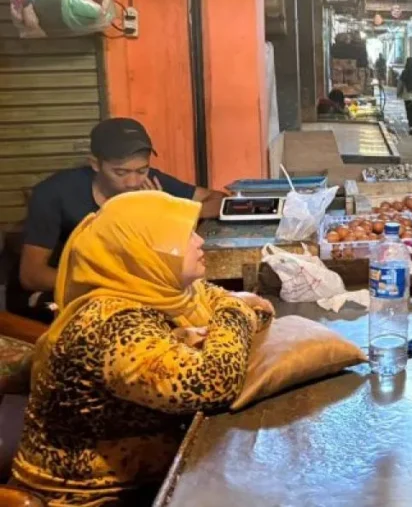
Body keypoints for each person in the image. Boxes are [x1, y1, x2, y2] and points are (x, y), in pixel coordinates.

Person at [12, 190, 273, 505]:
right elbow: (214, 381)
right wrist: (235, 312)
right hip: (93, 497)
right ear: (140, 252)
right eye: (184, 236)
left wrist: (228, 314)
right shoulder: (112, 324)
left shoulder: (161, 290)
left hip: (154, 476)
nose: (200, 241)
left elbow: (246, 306)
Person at [16, 118, 226, 323]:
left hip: (132, 295)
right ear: (95, 164)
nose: (133, 182)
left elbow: (219, 200)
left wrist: (164, 210)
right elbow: (31, 275)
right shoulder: (55, 194)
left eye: (141, 170)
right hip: (61, 297)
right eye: (120, 172)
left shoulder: (149, 183)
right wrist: (114, 286)